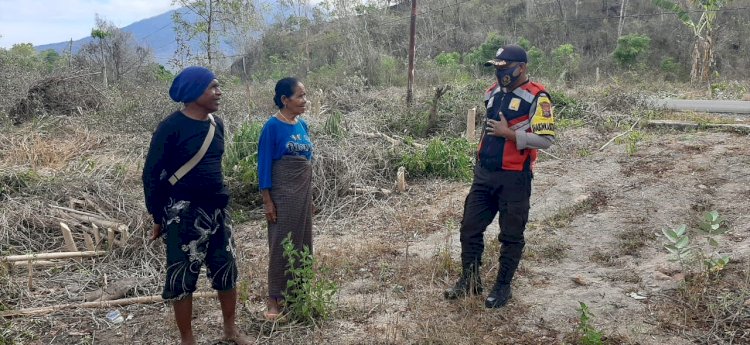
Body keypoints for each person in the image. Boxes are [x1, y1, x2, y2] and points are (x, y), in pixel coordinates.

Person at [142, 66, 249, 345]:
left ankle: (230, 330)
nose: (218, 92)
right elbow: (151, 173)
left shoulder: (218, 124)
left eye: (218, 86)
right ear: (193, 92)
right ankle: (187, 339)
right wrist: (157, 215)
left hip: (217, 211)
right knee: (181, 278)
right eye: (212, 87)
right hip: (184, 213)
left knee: (227, 270)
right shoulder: (171, 127)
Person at [444, 44, 556, 308]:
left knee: (511, 235)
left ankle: (503, 287)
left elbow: (546, 141)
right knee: (470, 228)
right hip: (485, 174)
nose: (500, 72)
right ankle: (470, 281)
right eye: (497, 67)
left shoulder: (538, 97)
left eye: (505, 67)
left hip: (515, 178)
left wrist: (510, 135)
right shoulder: (492, 93)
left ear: (522, 68)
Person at [257, 77, 314, 320]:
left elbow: (307, 161)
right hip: (282, 195)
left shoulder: (302, 126)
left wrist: (309, 197)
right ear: (284, 99)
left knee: (303, 242)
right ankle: (274, 299)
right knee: (281, 243)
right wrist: (267, 200)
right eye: (300, 96)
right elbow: (264, 166)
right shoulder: (272, 127)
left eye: (304, 95)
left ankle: (298, 294)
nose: (305, 100)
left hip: (302, 194)